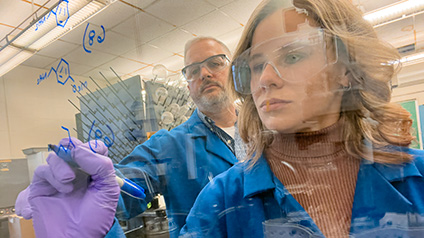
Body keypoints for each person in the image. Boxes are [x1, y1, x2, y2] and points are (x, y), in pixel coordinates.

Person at [180, 0, 424, 237]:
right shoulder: (221, 200)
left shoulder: (418, 176)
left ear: (345, 69)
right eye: (256, 66)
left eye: (293, 57)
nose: (265, 79)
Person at [15, 37, 241, 238]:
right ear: (189, 86)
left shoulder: (265, 130)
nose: (204, 73)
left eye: (215, 63)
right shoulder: (170, 145)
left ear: (232, 70)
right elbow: (129, 181)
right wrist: (85, 187)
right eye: (193, 70)